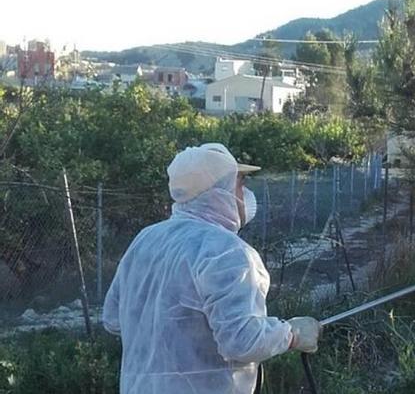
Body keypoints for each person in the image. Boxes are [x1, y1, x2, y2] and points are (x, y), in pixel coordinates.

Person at [102, 143, 321, 393]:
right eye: (240, 184)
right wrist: (291, 334)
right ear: (222, 190)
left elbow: (113, 320)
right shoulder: (227, 252)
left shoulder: (146, 239)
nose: (245, 193)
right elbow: (242, 341)